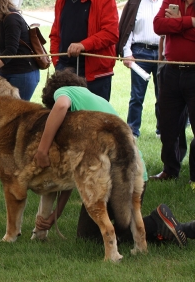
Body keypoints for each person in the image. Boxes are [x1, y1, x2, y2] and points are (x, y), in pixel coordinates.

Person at [32, 70, 195, 247]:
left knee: (90, 238)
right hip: (137, 174)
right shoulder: (96, 100)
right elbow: (73, 179)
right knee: (119, 227)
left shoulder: (64, 92)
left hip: (113, 177)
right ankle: (156, 227)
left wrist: (42, 149)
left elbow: (61, 105)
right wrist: (56, 214)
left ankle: (156, 223)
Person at [50, 0, 119, 101]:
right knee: (66, 119)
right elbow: (55, 34)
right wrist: (57, 61)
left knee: (96, 120)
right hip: (66, 72)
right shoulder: (61, 0)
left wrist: (83, 45)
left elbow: (111, 33)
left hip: (95, 75)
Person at [151, 0, 195, 181]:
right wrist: (189, 22)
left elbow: (170, 28)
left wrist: (177, 24)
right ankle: (170, 170)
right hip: (171, 72)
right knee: (168, 125)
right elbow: (158, 26)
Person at [117, 0, 166, 138]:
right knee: (136, 96)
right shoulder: (135, 0)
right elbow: (126, 28)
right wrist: (127, 52)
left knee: (163, 94)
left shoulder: (168, 1)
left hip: (163, 54)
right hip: (140, 52)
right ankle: (133, 131)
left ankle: (162, 129)